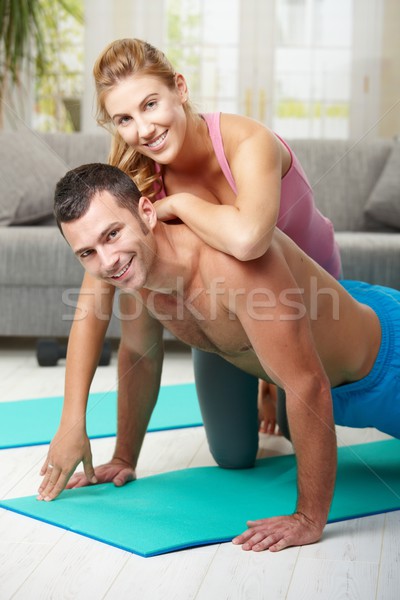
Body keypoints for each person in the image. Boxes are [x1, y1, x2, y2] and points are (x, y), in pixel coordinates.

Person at [39, 163, 399, 554]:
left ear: (147, 213)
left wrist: (309, 518)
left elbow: (308, 384)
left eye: (113, 234)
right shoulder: (134, 273)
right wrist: (124, 456)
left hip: (382, 365)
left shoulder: (230, 266)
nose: (107, 260)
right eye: (88, 252)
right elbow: (140, 355)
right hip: (310, 368)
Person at [60, 37, 342, 452]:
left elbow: (249, 241)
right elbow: (95, 301)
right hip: (227, 319)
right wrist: (75, 425)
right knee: (232, 455)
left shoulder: (247, 141)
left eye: (150, 104)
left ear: (180, 88)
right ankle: (257, 379)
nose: (143, 130)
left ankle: (270, 385)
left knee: (297, 428)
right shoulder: (139, 183)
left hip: (310, 303)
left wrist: (178, 203)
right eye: (124, 119)